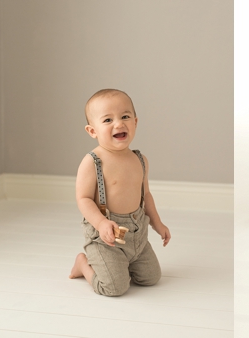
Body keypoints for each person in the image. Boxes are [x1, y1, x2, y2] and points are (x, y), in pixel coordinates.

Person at [69, 89, 171, 296]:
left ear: (135, 121)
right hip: (105, 237)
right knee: (114, 288)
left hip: (137, 235)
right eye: (108, 120)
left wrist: (157, 223)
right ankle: (83, 264)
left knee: (151, 278)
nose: (119, 123)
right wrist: (101, 223)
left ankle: (124, 263)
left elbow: (146, 196)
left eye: (125, 117)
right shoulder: (92, 161)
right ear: (92, 131)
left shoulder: (140, 160)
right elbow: (83, 199)